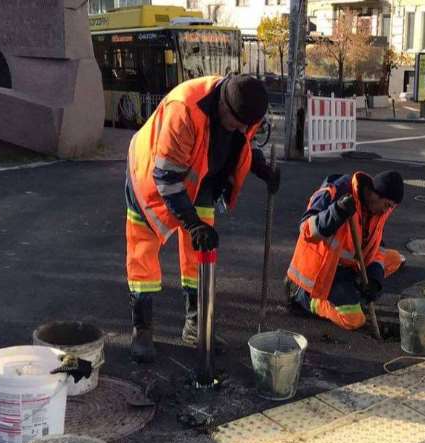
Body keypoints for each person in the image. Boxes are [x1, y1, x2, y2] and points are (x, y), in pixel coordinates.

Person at [125, 75, 280, 363]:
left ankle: (196, 325)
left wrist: (261, 168)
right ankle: (142, 329)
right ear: (223, 106)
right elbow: (167, 178)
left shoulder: (244, 101)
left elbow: (242, 142)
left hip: (201, 176)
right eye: (236, 122)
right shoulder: (183, 110)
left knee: (201, 253)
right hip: (149, 175)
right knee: (143, 254)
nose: (243, 128)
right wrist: (191, 222)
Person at [286, 171, 406, 330]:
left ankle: (355, 290)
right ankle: (307, 300)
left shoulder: (378, 209)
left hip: (348, 267)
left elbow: (376, 244)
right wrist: (336, 212)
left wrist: (374, 278)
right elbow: (305, 230)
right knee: (354, 320)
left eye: (390, 207)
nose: (386, 211)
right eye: (387, 205)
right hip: (322, 273)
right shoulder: (336, 192)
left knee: (395, 259)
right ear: (374, 194)